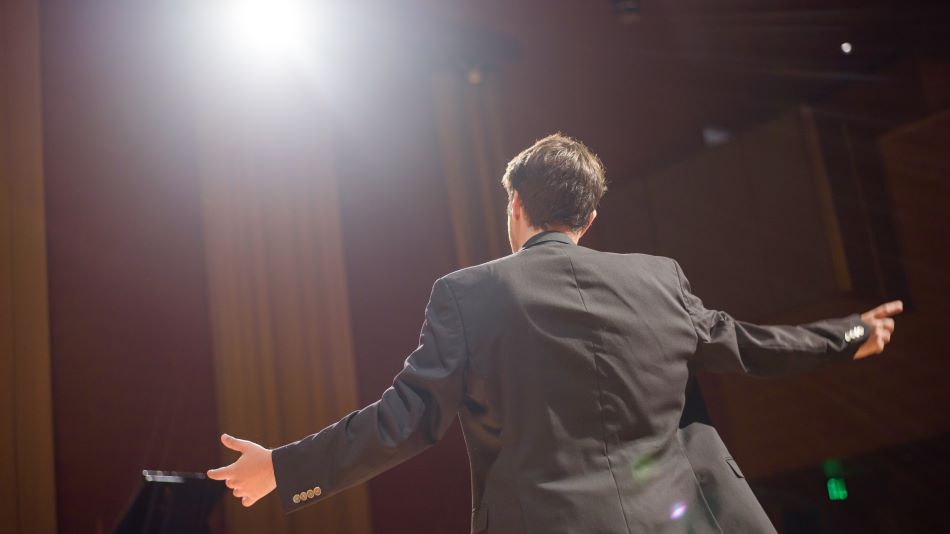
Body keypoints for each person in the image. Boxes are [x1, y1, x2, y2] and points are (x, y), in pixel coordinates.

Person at [207, 133, 901, 533]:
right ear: (590, 218)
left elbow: (406, 422)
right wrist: (848, 334)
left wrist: (282, 467)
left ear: (515, 205)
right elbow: (748, 346)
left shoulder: (469, 294)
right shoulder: (659, 279)